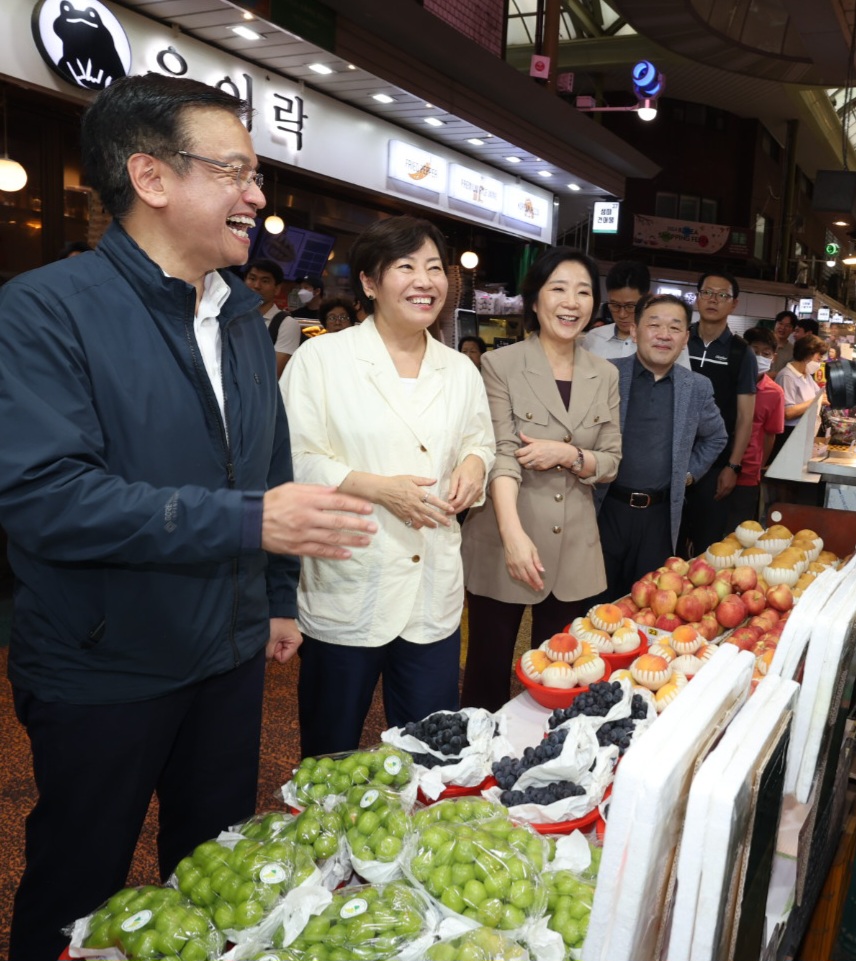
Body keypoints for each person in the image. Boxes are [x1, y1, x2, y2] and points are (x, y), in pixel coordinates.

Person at [0, 74, 378, 960]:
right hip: (105, 661)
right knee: (76, 885)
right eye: (234, 171)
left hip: (229, 650)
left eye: (256, 172)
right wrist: (253, 524)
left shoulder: (241, 313)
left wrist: (277, 595)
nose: (257, 195)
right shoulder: (45, 311)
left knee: (216, 869)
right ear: (153, 177)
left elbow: (269, 463)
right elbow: (48, 500)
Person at [281, 216, 495, 756]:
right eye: (406, 267)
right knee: (331, 754)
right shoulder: (321, 360)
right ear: (371, 283)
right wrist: (378, 489)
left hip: (432, 591)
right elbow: (292, 459)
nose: (425, 281)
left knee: (431, 751)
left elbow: (480, 440)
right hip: (351, 577)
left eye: (434, 268)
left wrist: (474, 465)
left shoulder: (460, 369)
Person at [460, 248, 621, 710]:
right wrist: (513, 537)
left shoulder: (604, 374)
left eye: (584, 292)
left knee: (562, 675)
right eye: (559, 289)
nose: (572, 302)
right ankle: (477, 769)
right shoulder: (501, 365)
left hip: (574, 548)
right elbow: (501, 455)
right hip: (504, 535)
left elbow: (611, 460)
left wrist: (567, 454)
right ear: (535, 300)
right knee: (486, 672)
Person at [595, 295, 726, 601]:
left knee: (649, 605)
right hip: (605, 510)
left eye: (674, 327)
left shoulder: (696, 387)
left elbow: (716, 437)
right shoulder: (606, 375)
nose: (664, 335)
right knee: (593, 606)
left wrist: (688, 475)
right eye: (654, 325)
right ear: (634, 330)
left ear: (685, 339)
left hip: (660, 517)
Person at [682, 270, 757, 553]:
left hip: (715, 466)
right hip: (673, 457)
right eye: (707, 293)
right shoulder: (680, 340)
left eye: (722, 295)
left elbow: (745, 417)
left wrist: (733, 466)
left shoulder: (741, 353)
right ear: (697, 298)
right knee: (669, 544)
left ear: (734, 304)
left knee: (707, 546)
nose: (713, 300)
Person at [729, 327, 787, 525]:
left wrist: (759, 468)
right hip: (716, 466)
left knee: (739, 529)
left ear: (774, 357)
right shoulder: (728, 381)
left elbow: (770, 435)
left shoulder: (775, 393)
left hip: (748, 473)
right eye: (754, 351)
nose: (759, 357)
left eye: (766, 353)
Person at [245, 257, 301, 375]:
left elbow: (272, 374)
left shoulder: (286, 324)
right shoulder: (230, 316)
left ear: (277, 289)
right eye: (252, 278)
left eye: (265, 281)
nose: (256, 285)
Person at [775, 333, 829, 429]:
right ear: (807, 354)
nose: (819, 362)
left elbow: (820, 395)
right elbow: (787, 412)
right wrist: (817, 401)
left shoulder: (806, 375)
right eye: (818, 358)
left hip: (804, 429)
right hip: (790, 432)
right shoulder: (787, 376)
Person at [770, 309, 796, 374]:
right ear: (775, 324)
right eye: (780, 323)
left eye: (787, 326)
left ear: (793, 330)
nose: (783, 328)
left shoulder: (793, 351)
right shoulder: (762, 344)